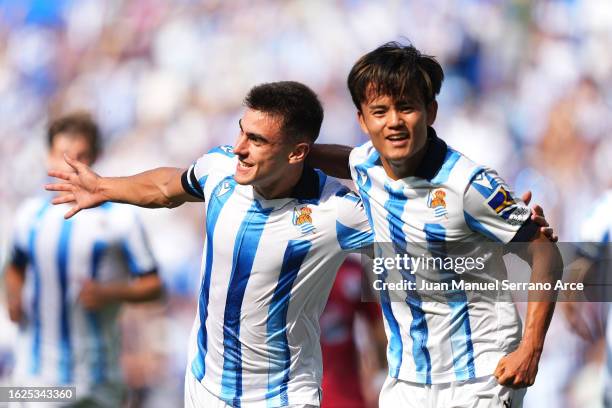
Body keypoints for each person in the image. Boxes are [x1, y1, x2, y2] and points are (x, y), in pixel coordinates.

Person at [46, 82, 554, 408]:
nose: (240, 147)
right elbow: (167, 187)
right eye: (241, 133)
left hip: (282, 397)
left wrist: (504, 226)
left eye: (258, 141)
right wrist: (106, 186)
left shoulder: (342, 211)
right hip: (202, 387)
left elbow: (420, 228)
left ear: (297, 153)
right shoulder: (222, 169)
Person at [309, 42, 563, 407]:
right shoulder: (367, 164)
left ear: (430, 112)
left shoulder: (469, 184)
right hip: (407, 381)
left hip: (480, 377)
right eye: (379, 111)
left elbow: (545, 254)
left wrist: (531, 349)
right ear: (362, 121)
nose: (393, 122)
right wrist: (291, 150)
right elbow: (345, 159)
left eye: (406, 107)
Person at [4, 112, 163, 407]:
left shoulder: (122, 218)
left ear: (96, 158)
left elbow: (154, 286)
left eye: (80, 156)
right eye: (63, 156)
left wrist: (110, 293)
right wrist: (12, 297)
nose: (70, 166)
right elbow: (14, 268)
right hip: (36, 376)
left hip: (99, 378)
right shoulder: (29, 215)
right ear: (47, 157)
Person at [319, 258, 386, 408]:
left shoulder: (352, 269)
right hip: (299, 393)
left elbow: (377, 324)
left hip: (348, 393)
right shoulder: (290, 269)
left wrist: (381, 377)